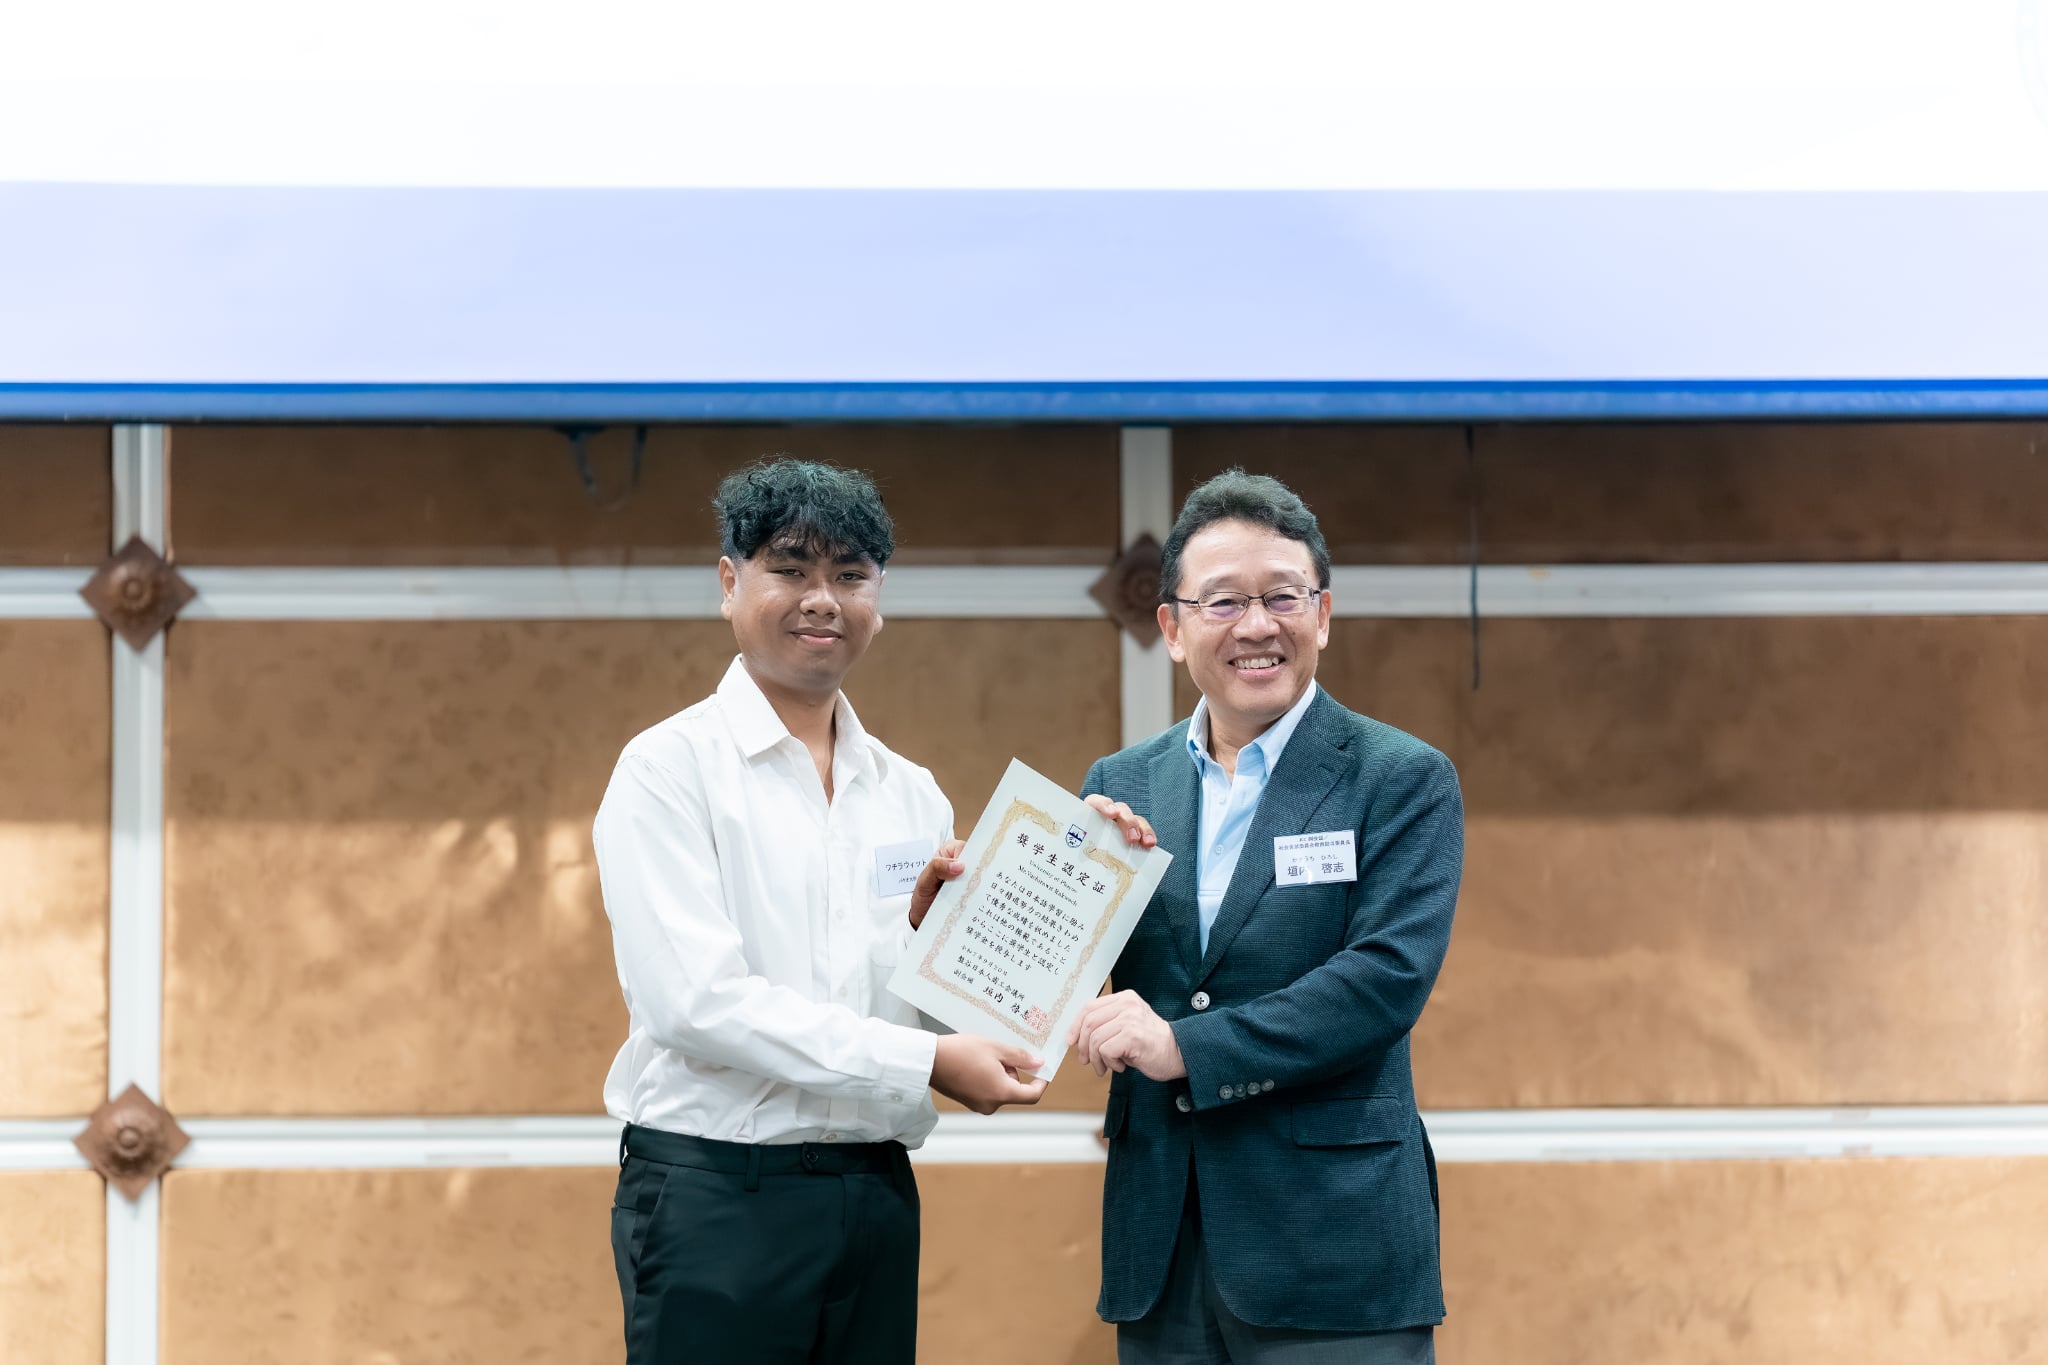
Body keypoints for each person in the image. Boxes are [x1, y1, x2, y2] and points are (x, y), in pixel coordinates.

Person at [594, 458, 1049, 1365]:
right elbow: (697, 1003)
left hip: (874, 1192)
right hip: (720, 1196)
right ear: (730, 582)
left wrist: (967, 936)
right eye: (791, 568)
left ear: (879, 597)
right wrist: (928, 1058)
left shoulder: (911, 793)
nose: (823, 599)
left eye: (850, 574)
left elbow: (941, 1017)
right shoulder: (668, 769)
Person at [1073, 468, 1465, 1364]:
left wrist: (1185, 1046)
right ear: (1173, 627)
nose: (1256, 625)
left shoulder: (1399, 777)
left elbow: (1383, 982)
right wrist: (970, 906)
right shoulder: (1120, 786)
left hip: (1335, 1245)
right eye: (1222, 601)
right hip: (1161, 1241)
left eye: (1282, 596)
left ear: (1321, 614)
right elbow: (1048, 987)